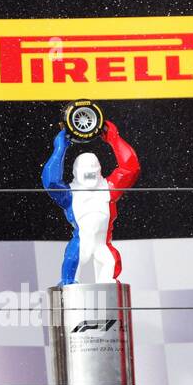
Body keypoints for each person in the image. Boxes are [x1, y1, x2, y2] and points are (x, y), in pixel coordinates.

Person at [42, 121, 139, 286]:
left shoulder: (108, 188)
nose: (89, 176)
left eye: (92, 172)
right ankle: (69, 284)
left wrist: (114, 138)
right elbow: (51, 182)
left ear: (99, 170)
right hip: (81, 244)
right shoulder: (70, 194)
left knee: (109, 268)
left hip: (103, 244)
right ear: (76, 172)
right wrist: (60, 148)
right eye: (86, 173)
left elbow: (131, 168)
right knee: (71, 270)